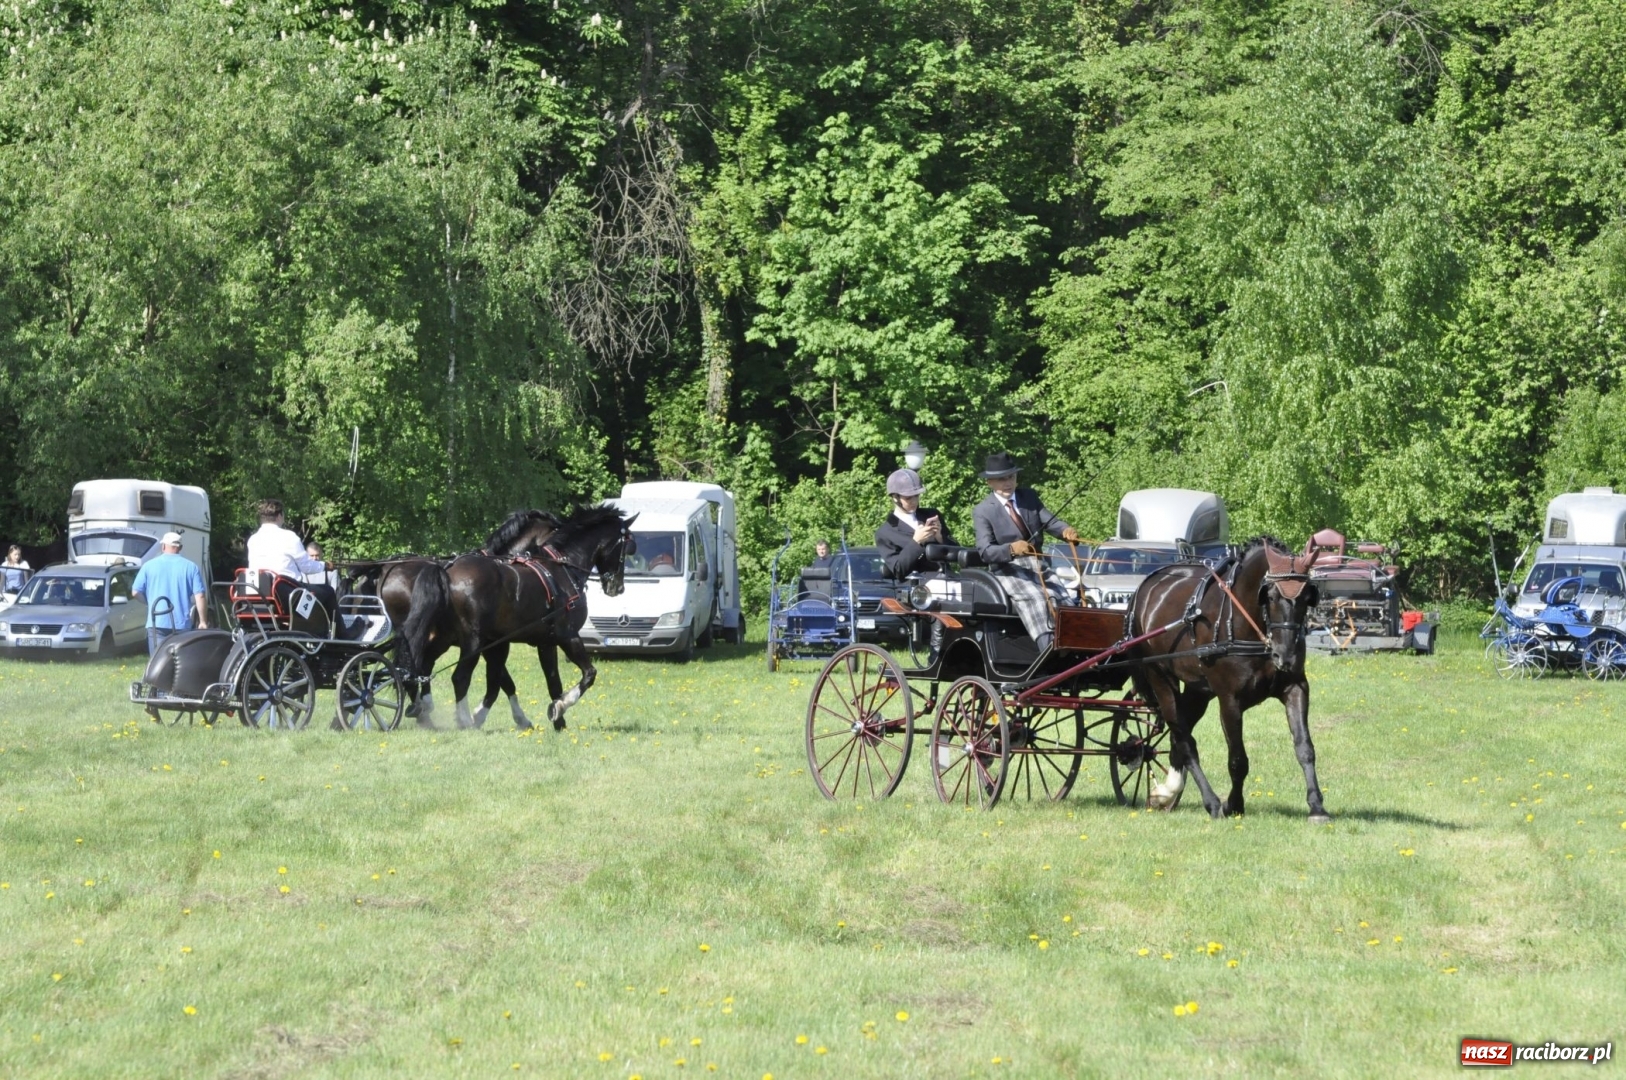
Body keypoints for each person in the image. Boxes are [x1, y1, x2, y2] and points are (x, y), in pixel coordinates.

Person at [972, 451, 1082, 654]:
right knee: (1037, 598)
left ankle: (1076, 648)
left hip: (1039, 564)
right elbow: (985, 551)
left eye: (1011, 477)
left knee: (1061, 596)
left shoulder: (1029, 497)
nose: (1008, 483)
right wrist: (1011, 549)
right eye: (1001, 479)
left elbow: (1050, 522)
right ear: (989, 482)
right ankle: (1048, 650)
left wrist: (1065, 530)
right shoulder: (983, 511)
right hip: (1008, 569)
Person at [246, 499, 335, 618]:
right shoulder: (289, 537)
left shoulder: (253, 539)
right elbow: (307, 567)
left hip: (260, 594)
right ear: (279, 516)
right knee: (328, 592)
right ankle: (341, 633)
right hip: (288, 595)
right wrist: (324, 565)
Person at [875, 468, 960, 580]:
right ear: (895, 497)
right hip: (918, 588)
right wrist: (916, 542)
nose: (914, 501)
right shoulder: (885, 532)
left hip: (948, 580)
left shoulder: (932, 515)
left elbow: (957, 552)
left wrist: (940, 538)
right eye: (908, 498)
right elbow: (898, 570)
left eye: (917, 496)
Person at [131, 532, 209, 654]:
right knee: (181, 663)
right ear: (180, 548)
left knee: (157, 662)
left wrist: (149, 602)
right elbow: (200, 596)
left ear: (163, 547)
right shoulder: (191, 567)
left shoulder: (148, 566)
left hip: (156, 621)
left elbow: (135, 592)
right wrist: (203, 621)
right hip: (182, 625)